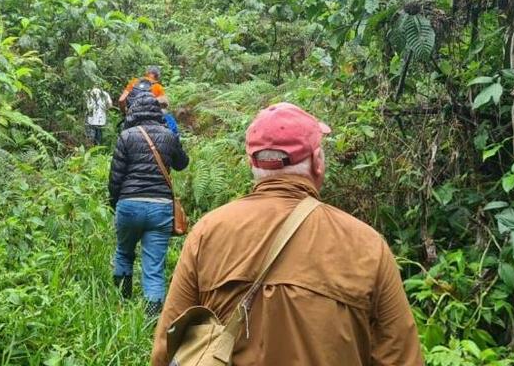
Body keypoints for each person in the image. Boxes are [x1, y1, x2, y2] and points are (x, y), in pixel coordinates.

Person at [151, 102, 423, 365]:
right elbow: (399, 357)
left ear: (251, 163)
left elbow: (168, 347)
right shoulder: (367, 245)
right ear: (317, 161)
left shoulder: (208, 233)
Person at [109, 91, 189, 317]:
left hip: (129, 204)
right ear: (157, 111)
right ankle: (152, 319)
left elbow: (115, 177)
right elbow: (182, 163)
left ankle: (122, 303)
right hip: (160, 207)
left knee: (124, 253)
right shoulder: (168, 135)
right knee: (154, 268)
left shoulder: (126, 136)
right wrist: (173, 140)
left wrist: (116, 204)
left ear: (133, 111)